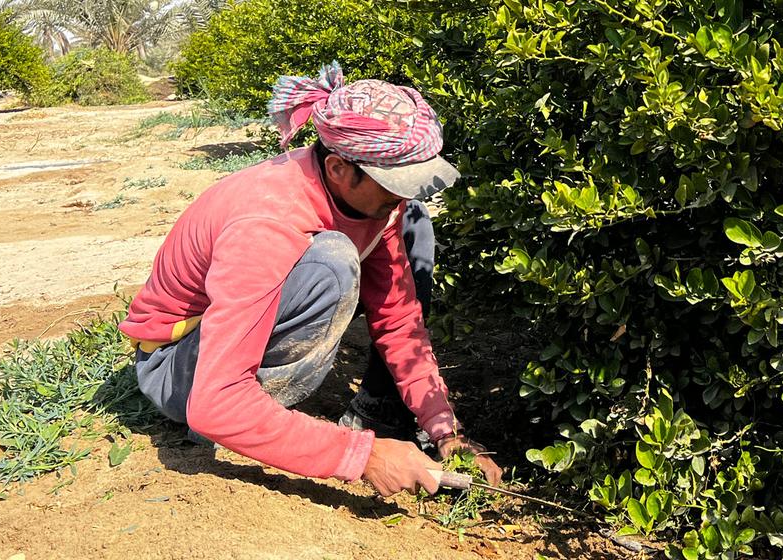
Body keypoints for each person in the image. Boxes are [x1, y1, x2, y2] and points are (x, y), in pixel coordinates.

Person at [118, 62, 502, 497]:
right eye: (393, 181)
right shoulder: (266, 223)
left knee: (415, 221)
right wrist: (362, 455)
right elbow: (214, 400)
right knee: (330, 263)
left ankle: (373, 410)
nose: (401, 194)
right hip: (179, 370)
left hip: (220, 350)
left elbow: (398, 319)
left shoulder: (380, 203)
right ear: (339, 168)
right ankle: (252, 417)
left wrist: (443, 427)